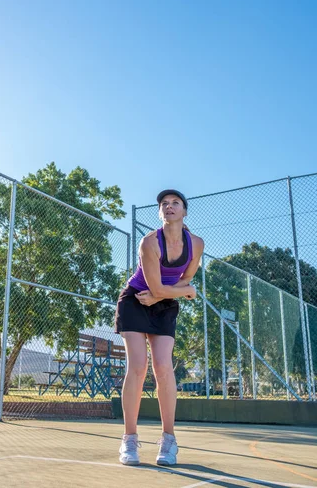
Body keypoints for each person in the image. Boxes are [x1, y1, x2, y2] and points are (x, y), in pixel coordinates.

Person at [114, 189, 204, 466]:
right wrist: (186, 291)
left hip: (162, 305)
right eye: (164, 204)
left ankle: (168, 440)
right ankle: (129, 439)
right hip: (136, 300)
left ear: (185, 211)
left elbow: (185, 278)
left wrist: (176, 290)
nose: (169, 206)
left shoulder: (196, 244)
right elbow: (166, 287)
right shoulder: (149, 242)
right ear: (160, 213)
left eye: (175, 203)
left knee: (163, 368)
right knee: (138, 367)